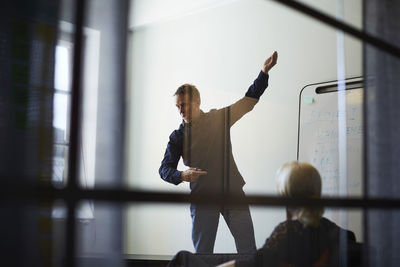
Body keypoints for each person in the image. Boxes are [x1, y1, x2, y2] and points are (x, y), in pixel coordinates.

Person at [159, 51, 278, 254]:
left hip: (232, 192)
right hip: (202, 198)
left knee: (248, 249)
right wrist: (182, 175)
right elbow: (164, 169)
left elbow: (247, 102)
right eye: (177, 107)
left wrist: (264, 72)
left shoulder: (218, 119)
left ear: (197, 101)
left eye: (184, 105)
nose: (180, 111)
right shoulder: (177, 136)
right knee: (203, 254)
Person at [167, 161, 357, 267]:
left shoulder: (288, 232)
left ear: (284, 195)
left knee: (183, 260)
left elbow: (251, 264)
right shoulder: (332, 231)